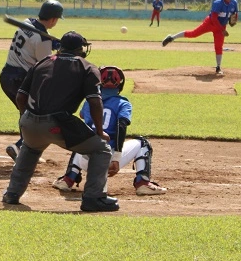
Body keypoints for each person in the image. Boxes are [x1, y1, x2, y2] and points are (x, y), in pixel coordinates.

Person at [2, 31, 119, 212]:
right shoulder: (87, 67)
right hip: (58, 122)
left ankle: (12, 194)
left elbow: (20, 96)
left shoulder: (42, 62)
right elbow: (95, 101)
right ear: (80, 49)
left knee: (30, 148)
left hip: (29, 122)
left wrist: (26, 116)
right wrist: (99, 130)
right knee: (101, 149)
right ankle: (93, 198)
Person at [53, 65, 167, 196]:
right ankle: (142, 183)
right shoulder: (123, 103)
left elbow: (82, 116)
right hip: (107, 159)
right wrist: (117, 158)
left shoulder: (90, 101)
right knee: (143, 143)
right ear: (120, 84)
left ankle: (68, 179)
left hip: (85, 160)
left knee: (83, 138)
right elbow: (121, 126)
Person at [0, 0, 64, 161]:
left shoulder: (27, 23)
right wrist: (60, 50)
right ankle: (20, 147)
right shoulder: (43, 40)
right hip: (21, 80)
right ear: (54, 19)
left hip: (6, 76)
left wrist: (53, 44)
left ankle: (24, 149)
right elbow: (45, 65)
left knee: (26, 114)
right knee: (36, 116)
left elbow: (35, 41)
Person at [161, 0, 239, 75]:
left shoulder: (234, 3)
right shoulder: (218, 3)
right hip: (210, 23)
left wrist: (233, 21)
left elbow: (234, 14)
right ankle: (171, 37)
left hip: (221, 27)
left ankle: (218, 67)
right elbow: (214, 18)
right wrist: (222, 29)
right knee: (193, 33)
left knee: (219, 46)